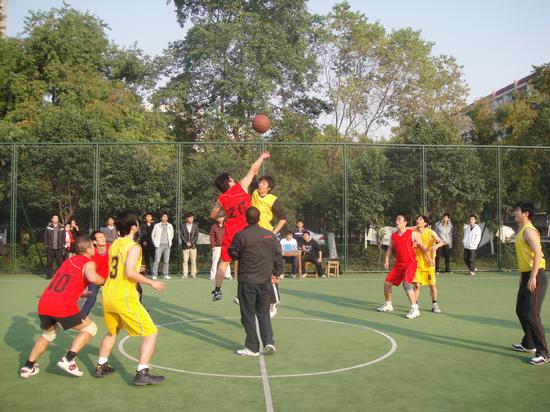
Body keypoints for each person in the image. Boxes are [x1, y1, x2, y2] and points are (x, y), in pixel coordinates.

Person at [95, 211, 167, 385]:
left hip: (108, 294)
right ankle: (142, 372)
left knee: (112, 331)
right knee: (151, 332)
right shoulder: (134, 246)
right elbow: (129, 273)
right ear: (134, 226)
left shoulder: (114, 244)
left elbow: (120, 267)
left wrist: (135, 268)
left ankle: (101, 365)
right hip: (124, 297)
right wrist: (151, 282)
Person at [19, 236, 105, 378]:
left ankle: (28, 367)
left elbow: (65, 282)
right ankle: (68, 360)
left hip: (45, 302)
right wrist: (104, 280)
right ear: (88, 250)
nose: (94, 248)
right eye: (92, 246)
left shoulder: (69, 260)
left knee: (49, 334)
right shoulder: (88, 262)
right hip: (62, 305)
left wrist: (80, 292)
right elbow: (92, 278)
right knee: (91, 328)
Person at [209, 152, 270, 301]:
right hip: (247, 232)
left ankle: (217, 290)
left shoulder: (222, 198)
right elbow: (253, 169)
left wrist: (224, 214)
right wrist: (261, 157)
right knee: (247, 262)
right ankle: (240, 294)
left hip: (231, 232)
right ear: (229, 181)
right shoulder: (240, 187)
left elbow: (213, 215)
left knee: (224, 262)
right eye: (231, 178)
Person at [228, 207, 283, 356]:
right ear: (259, 219)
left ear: (246, 219)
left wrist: (238, 251)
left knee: (248, 313)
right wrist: (276, 273)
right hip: (265, 280)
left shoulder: (241, 235)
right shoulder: (270, 235)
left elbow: (233, 253)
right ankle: (269, 342)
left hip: (247, 280)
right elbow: (278, 255)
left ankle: (252, 347)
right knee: (264, 312)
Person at [512, 201, 548, 365]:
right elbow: (525, 256)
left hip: (537, 275)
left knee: (532, 315)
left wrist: (533, 276)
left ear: (525, 213)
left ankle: (543, 353)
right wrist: (523, 275)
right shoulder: (521, 230)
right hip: (527, 275)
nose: (515, 213)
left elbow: (538, 252)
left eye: (517, 210)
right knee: (520, 310)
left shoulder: (529, 231)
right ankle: (529, 343)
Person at [378, 213, 429, 319]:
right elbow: (390, 249)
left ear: (405, 223)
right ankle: (388, 304)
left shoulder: (412, 234)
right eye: (396, 219)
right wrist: (386, 259)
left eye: (399, 219)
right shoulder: (394, 236)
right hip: (399, 264)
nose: (397, 221)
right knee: (387, 283)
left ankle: (415, 309)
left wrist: (429, 258)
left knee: (406, 284)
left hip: (410, 263)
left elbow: (423, 246)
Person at [250, 174, 287, 316]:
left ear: (269, 188)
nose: (260, 185)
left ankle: (274, 301)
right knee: (254, 267)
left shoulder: (273, 200)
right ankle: (246, 296)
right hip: (253, 235)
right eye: (260, 183)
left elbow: (283, 219)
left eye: (264, 184)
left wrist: (273, 232)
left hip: (266, 236)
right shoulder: (254, 192)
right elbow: (253, 173)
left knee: (270, 269)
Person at [412, 215, 446, 314]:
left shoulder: (430, 232)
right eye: (417, 219)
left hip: (429, 263)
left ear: (425, 223)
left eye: (420, 219)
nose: (418, 220)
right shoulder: (413, 233)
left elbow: (442, 242)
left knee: (432, 285)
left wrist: (437, 245)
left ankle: (434, 304)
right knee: (416, 285)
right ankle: (415, 306)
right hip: (417, 263)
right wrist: (412, 245)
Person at [81, 231, 110, 317]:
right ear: (94, 242)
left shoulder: (111, 248)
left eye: (103, 236)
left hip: (109, 277)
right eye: (100, 237)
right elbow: (84, 270)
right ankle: (81, 317)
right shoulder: (91, 253)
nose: (103, 238)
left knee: (118, 296)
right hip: (96, 277)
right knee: (91, 296)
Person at [151, 212, 174, 280]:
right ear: (161, 218)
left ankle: (165, 274)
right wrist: (155, 243)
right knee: (157, 261)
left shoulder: (170, 225)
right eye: (163, 217)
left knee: (166, 261)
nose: (165, 218)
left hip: (167, 245)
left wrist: (169, 242)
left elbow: (172, 234)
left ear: (167, 218)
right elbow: (153, 235)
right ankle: (154, 275)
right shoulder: (157, 225)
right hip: (159, 245)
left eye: (166, 217)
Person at [209, 215, 231, 281]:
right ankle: (212, 275)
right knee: (215, 261)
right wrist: (213, 246)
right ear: (217, 219)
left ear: (224, 218)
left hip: (225, 246)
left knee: (226, 261)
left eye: (222, 218)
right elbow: (212, 237)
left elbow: (229, 235)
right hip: (216, 247)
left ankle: (227, 275)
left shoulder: (226, 225)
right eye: (219, 218)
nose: (220, 219)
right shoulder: (213, 227)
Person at [43, 213, 65, 278]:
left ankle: (59, 275)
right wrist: (46, 245)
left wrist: (63, 245)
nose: (56, 219)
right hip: (50, 248)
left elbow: (63, 237)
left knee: (60, 262)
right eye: (54, 218)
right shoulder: (48, 227)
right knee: (49, 262)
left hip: (59, 248)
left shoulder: (62, 227)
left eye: (57, 218)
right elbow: (45, 237)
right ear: (52, 219)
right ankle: (49, 275)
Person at [180, 212, 199, 279]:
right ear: (187, 218)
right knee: (185, 261)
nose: (191, 219)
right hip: (185, 246)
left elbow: (196, 235)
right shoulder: (183, 225)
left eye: (192, 217)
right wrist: (186, 243)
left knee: (193, 260)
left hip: (193, 246)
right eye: (190, 217)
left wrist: (192, 242)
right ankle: (185, 274)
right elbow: (181, 235)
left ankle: (193, 274)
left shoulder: (195, 225)